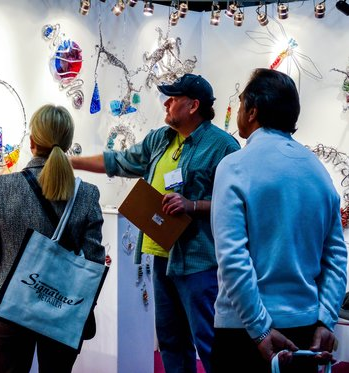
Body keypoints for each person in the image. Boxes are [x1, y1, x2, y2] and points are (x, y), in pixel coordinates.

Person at [71, 73, 240, 373]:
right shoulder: (160, 139)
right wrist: (71, 162)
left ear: (193, 106)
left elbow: (237, 205)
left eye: (173, 99)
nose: (167, 103)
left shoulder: (223, 147)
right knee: (171, 341)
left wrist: (194, 206)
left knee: (209, 341)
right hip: (160, 256)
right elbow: (119, 161)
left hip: (199, 261)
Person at [210, 68, 348, 373]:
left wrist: (259, 328)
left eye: (242, 102)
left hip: (245, 329)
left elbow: (233, 258)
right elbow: (337, 256)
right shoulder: (318, 171)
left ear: (252, 112)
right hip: (306, 329)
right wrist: (326, 318)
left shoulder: (234, 166)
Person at [0, 104, 105, 373]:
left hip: (13, 305)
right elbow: (94, 261)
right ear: (68, 143)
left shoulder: (1, 187)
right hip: (62, 308)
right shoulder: (87, 194)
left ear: (32, 141)